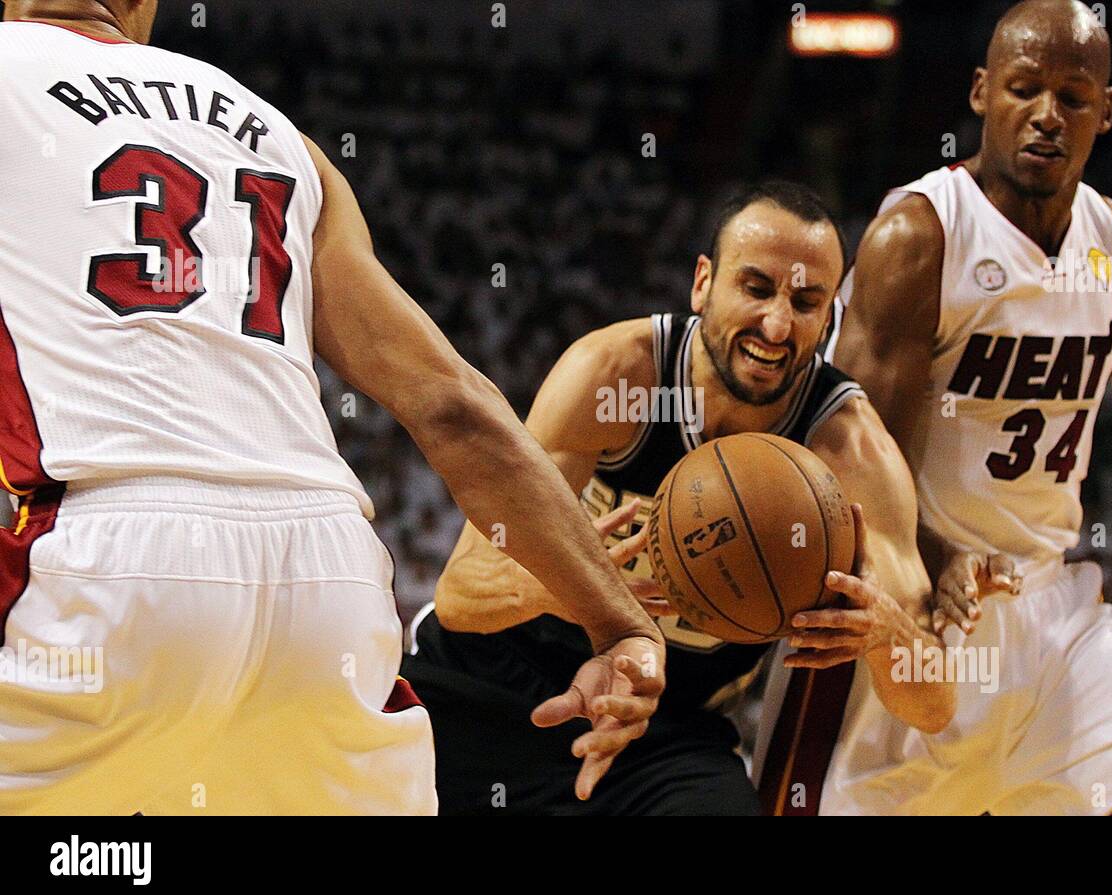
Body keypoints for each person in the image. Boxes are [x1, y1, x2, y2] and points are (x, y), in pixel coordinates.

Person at [0, 0, 664, 815]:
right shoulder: (281, 138)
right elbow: (454, 405)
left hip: (105, 564)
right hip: (326, 578)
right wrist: (621, 626)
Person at [818, 0, 1112, 815]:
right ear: (983, 92)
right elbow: (846, 455)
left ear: (1108, 109)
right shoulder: (919, 238)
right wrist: (930, 550)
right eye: (1025, 89)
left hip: (1056, 617)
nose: (1047, 116)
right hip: (909, 625)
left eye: (1074, 96)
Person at [403, 181, 953, 815]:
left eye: (806, 301)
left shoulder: (851, 453)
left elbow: (934, 706)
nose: (777, 324)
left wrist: (888, 636)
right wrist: (585, 588)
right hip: (492, 683)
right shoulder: (615, 375)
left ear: (830, 317)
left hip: (665, 731)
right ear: (702, 284)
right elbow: (462, 592)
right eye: (756, 288)